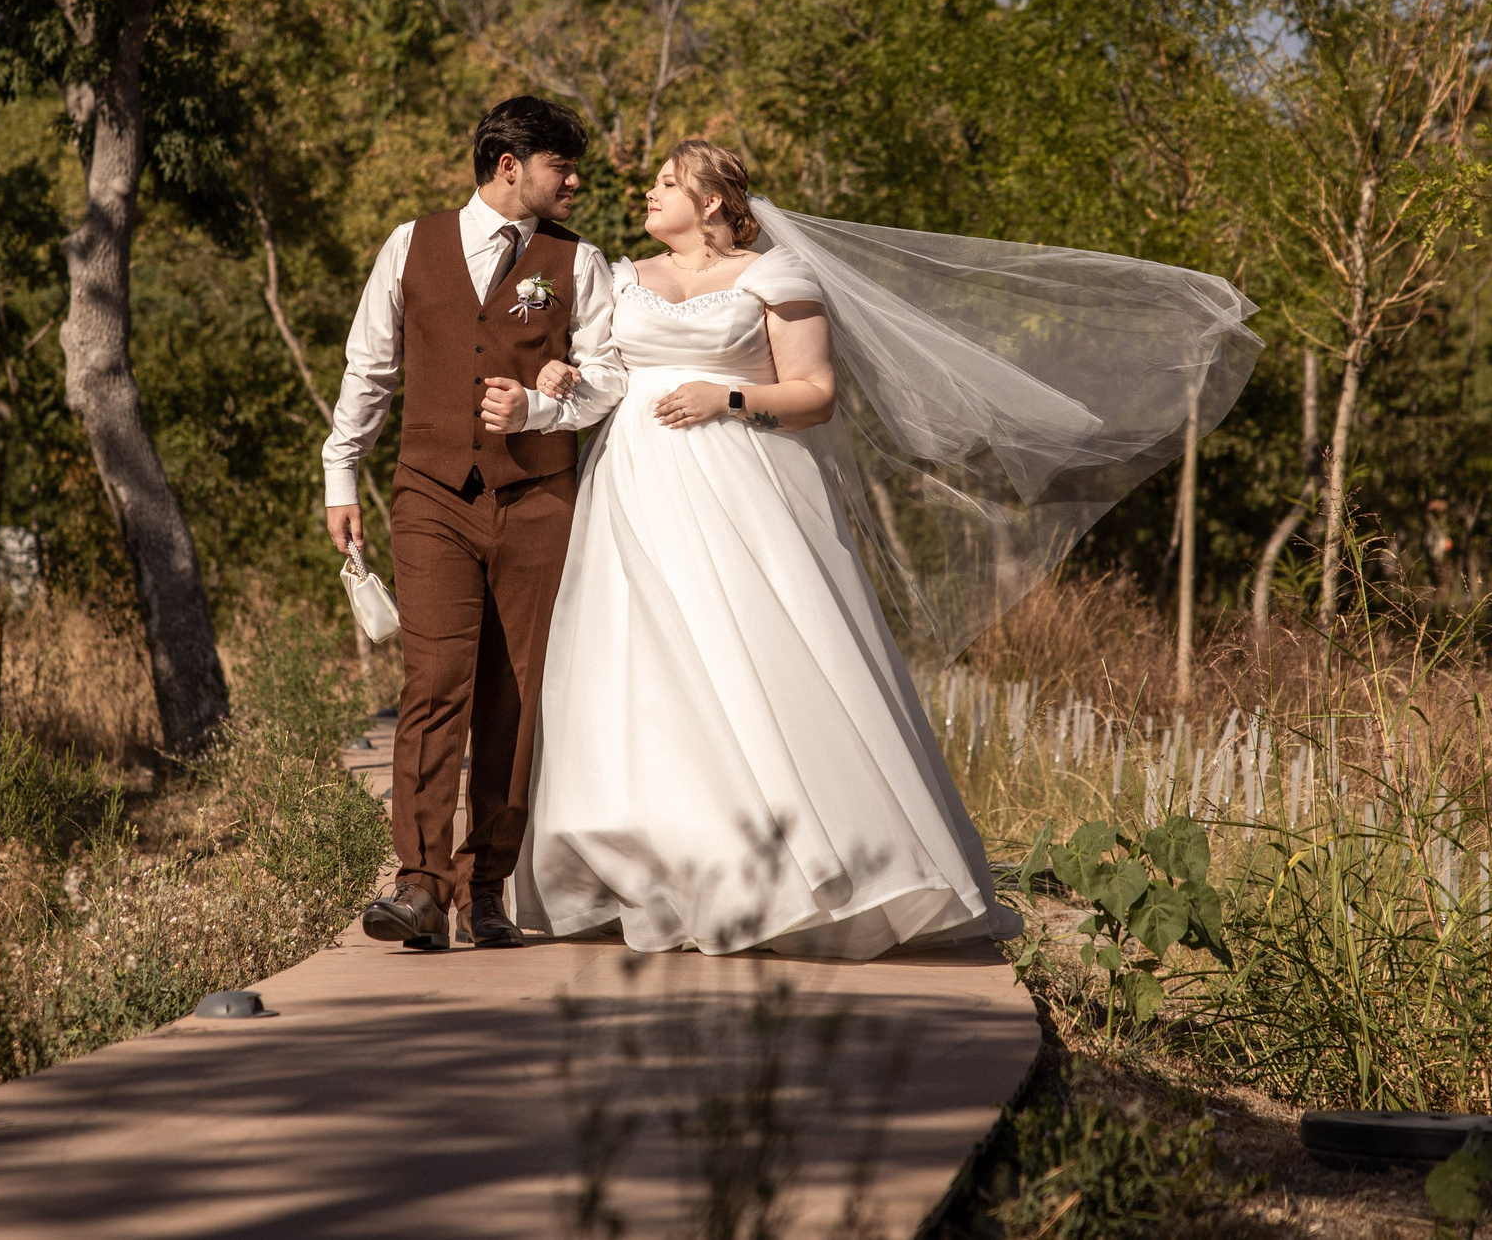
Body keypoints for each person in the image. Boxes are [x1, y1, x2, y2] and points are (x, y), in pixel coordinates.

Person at [511, 141, 1259, 959]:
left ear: (715, 201)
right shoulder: (623, 280)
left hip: (738, 488)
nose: (647, 193)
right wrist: (560, 385)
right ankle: (638, 863)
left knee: (750, 659)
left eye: (666, 183)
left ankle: (791, 870)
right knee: (638, 667)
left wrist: (727, 394)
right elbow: (604, 378)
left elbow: (815, 394)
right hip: (634, 488)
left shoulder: (775, 278)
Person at [321, 96, 626, 950]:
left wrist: (535, 407)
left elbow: (611, 378)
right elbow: (369, 367)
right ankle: (419, 884)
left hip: (538, 502)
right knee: (436, 680)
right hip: (432, 496)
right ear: (508, 167)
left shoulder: (582, 261)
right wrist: (340, 472)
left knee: (519, 696)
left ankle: (484, 886)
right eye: (561, 167)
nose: (575, 181)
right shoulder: (409, 244)